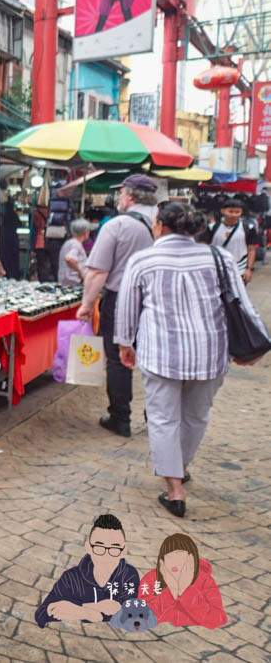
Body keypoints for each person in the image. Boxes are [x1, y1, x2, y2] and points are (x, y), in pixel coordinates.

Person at [114, 201, 267, 518]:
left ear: (160, 225)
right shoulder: (220, 258)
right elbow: (242, 303)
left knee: (163, 418)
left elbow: (127, 307)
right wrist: (255, 347)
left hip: (162, 354)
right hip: (210, 353)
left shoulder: (144, 260)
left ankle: (175, 488)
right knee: (196, 417)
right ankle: (180, 466)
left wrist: (124, 343)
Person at [77, 174, 158, 438]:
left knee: (117, 357)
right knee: (152, 358)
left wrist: (87, 304)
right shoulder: (166, 221)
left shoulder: (117, 225)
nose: (119, 198)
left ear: (131, 196)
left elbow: (98, 272)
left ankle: (120, 417)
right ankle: (157, 416)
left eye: (121, 193)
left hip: (121, 299)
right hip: (156, 300)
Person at [35, 514, 140, 626]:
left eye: (115, 548)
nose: (106, 555)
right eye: (99, 547)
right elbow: (41, 614)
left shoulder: (129, 575)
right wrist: (92, 611)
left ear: (123, 551)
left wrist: (82, 610)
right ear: (88, 548)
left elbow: (132, 616)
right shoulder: (71, 577)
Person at [139, 533, 227, 628]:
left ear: (191, 559)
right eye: (169, 557)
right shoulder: (152, 579)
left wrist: (187, 590)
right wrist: (170, 591)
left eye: (179, 555)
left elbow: (217, 619)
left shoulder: (205, 581)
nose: (174, 562)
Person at [204, 196, 258, 284]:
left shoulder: (248, 228)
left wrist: (249, 269)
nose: (234, 215)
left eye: (237, 212)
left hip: (239, 268)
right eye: (231, 211)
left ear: (241, 212)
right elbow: (205, 247)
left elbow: (251, 249)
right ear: (223, 211)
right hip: (217, 267)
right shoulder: (212, 227)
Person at [57, 219, 92, 286]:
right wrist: (82, 273)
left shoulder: (69, 242)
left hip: (67, 281)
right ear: (85, 232)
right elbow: (69, 259)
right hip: (72, 281)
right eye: (88, 231)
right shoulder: (75, 244)